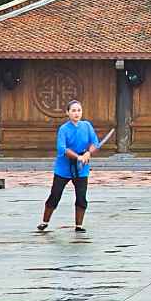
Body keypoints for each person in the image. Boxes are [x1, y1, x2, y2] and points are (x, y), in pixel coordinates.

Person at [39, 99, 100, 234]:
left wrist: (88, 153)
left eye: (79, 110)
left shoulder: (87, 125)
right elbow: (61, 148)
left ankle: (79, 225)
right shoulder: (64, 129)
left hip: (81, 167)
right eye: (73, 110)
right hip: (64, 167)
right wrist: (77, 156)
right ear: (68, 112)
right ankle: (45, 221)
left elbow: (95, 142)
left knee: (81, 196)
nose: (76, 113)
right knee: (55, 195)